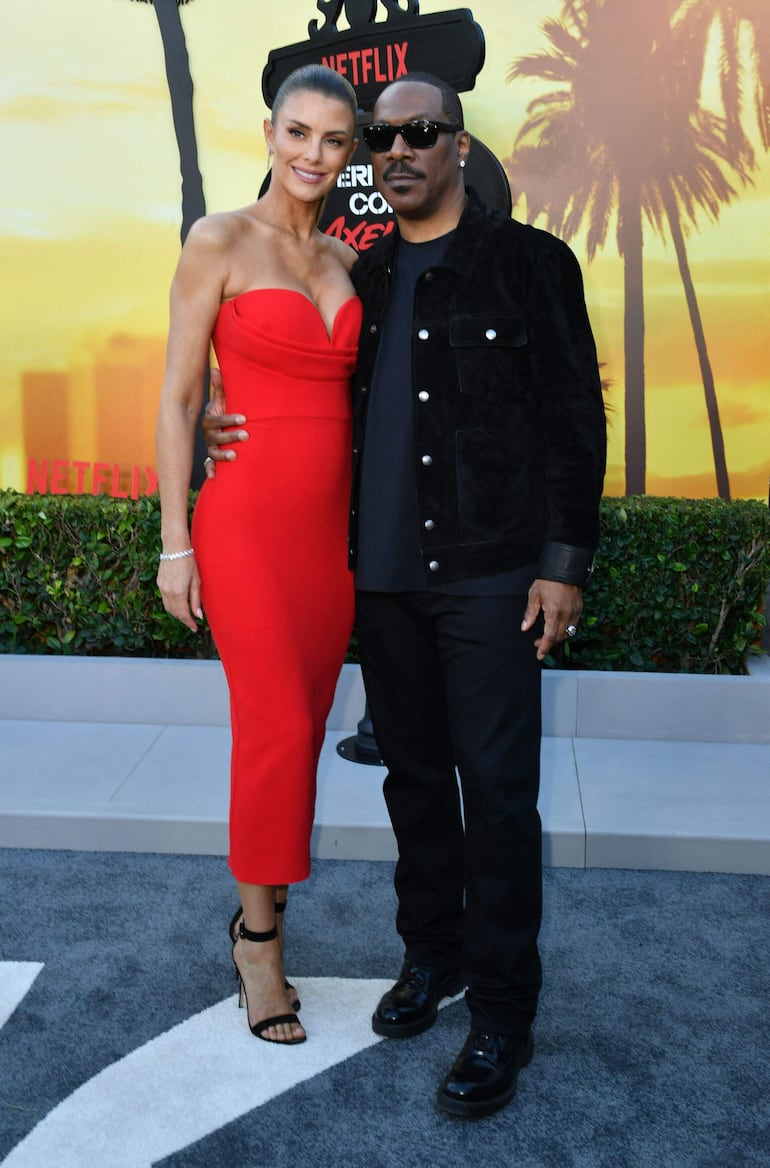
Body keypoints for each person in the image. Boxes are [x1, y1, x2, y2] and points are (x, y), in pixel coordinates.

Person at [204, 72, 606, 1114]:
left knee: (498, 797)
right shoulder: (364, 276)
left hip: (488, 577)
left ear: (459, 146)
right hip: (376, 580)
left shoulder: (528, 264)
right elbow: (281, 368)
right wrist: (213, 406)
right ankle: (430, 958)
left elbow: (573, 415)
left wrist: (561, 564)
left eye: (419, 131)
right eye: (380, 138)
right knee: (414, 784)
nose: (398, 150)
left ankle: (502, 1013)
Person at [155, 64, 361, 1046]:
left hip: (328, 543)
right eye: (296, 132)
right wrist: (172, 543)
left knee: (303, 729)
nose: (311, 155)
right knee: (274, 725)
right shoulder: (218, 240)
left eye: (332, 140)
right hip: (239, 526)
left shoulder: (344, 266)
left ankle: (261, 910)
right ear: (270, 133)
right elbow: (178, 396)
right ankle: (259, 943)